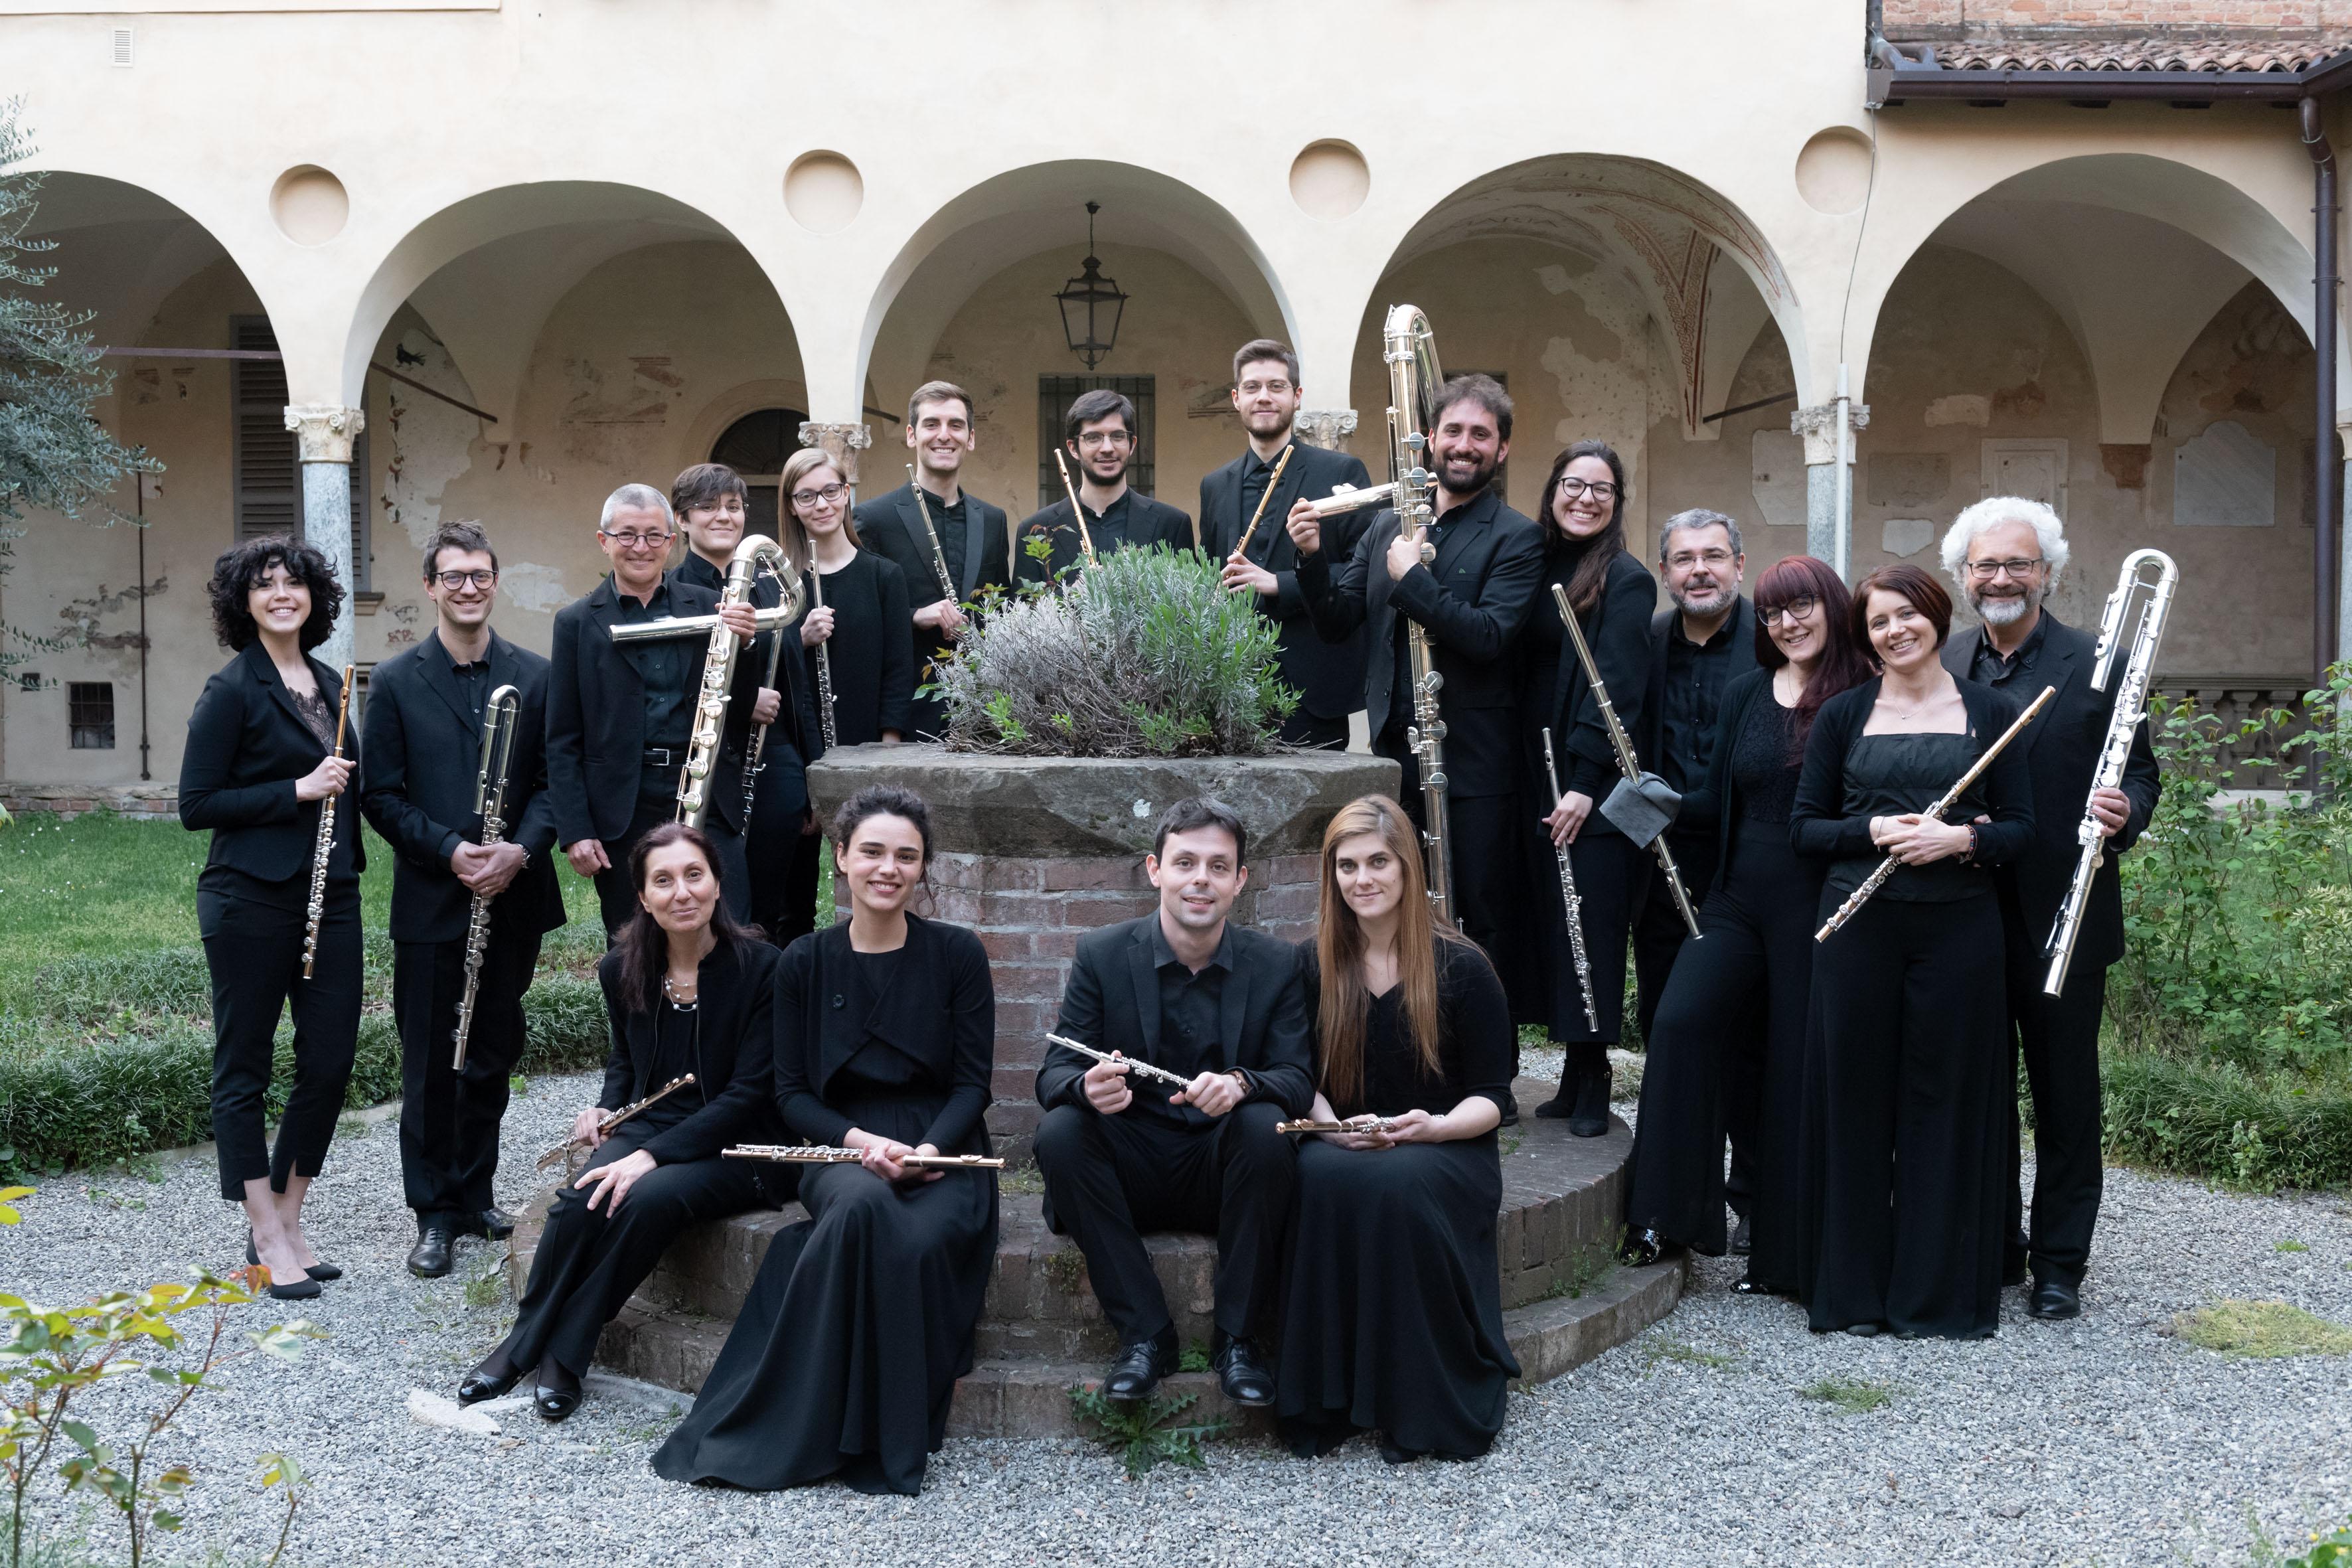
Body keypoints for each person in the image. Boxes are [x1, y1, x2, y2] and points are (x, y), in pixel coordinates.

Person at [653, 786, 996, 1496]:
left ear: (922, 867)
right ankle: (827, 1431)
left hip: (944, 1144)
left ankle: (867, 1432)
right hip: (838, 1144)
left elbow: (971, 1086)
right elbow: (791, 1096)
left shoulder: (959, 954)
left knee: (917, 1239)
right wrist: (860, 1141)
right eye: (871, 851)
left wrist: (929, 1150)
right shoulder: (802, 960)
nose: (888, 868)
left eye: (907, 856)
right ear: (840, 858)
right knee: (861, 1209)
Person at [459, 824, 785, 1421]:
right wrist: (608, 1110)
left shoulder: (764, 968)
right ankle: (523, 1340)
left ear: (717, 883)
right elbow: (627, 1062)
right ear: (642, 896)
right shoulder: (621, 969)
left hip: (744, 1142)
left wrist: (651, 1156)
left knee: (642, 1198)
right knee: (577, 1198)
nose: (681, 892)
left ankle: (561, 1353)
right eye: (663, 881)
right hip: (652, 1126)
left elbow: (751, 1094)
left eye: (694, 875)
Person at [1791, 564, 2036, 1340]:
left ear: (1935, 613)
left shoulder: (1993, 710)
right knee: (1856, 1102)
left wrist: (1961, 837)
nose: (1895, 631)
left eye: (1906, 615)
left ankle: (1934, 1296)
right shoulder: (1841, 714)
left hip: (1959, 929)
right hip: (1858, 928)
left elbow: (2024, 828)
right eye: (1877, 624)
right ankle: (1854, 1295)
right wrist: (1874, 831)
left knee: (1946, 1102)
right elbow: (1805, 829)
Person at [1287, 374, 1543, 1099]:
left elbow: (1489, 637)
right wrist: (1309, 556)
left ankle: (1488, 1081)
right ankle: (1409, 1063)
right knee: (1403, 909)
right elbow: (1339, 619)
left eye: (1480, 435)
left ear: (1501, 448)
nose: (1463, 446)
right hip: (1395, 756)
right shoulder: (1386, 523)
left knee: (1475, 912)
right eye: (1452, 432)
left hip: (1476, 761)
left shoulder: (1518, 538)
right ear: (1428, 439)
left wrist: (1412, 580)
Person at [1621, 556, 1871, 1291]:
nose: (1787, 624)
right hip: (1736, 898)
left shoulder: (1862, 697)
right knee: (1679, 1022)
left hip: (1816, 907)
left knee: (1794, 1063)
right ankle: (1666, 1216)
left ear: (1831, 606)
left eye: (1800, 608)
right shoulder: (1746, 693)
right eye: (1772, 614)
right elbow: (1713, 801)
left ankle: (1783, 1240)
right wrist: (1646, 798)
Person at [1938, 497, 2159, 1321]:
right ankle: (1998, 1245)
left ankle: (2061, 1262)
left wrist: (2126, 810)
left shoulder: (2101, 659)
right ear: (1964, 576)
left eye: (2018, 563)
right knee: (1977, 1090)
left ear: (2048, 574)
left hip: (2065, 913)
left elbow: (2142, 774)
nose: (2002, 577)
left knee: (2067, 1098)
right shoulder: (1944, 660)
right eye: (1986, 564)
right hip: (1960, 911)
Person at [1031, 798, 1314, 1408]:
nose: (1200, 880)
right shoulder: (1102, 953)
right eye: (1185, 862)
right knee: (1058, 1133)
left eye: (1218, 867)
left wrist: (1242, 1083)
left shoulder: (1276, 963)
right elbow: (1053, 1072)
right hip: (1130, 1165)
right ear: (1155, 869)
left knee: (1267, 1126)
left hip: (1221, 1170)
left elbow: (1296, 1076)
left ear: (1240, 881)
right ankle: (1145, 1337)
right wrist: (1086, 1087)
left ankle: (1237, 1340)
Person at [1279, 795, 1519, 1462]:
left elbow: (1494, 1098)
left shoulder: (1464, 968)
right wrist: (1326, 1128)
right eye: (1348, 866)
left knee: (1400, 1185)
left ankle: (1416, 1402)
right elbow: (1297, 1073)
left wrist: (1433, 1128)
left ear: (1408, 868)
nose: (1364, 879)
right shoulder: (1312, 966)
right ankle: (1330, 1398)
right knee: (1313, 1174)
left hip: (1447, 1149)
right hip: (1345, 1141)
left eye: (1378, 861)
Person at [360, 522, 567, 1279]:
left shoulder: (538, 675)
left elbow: (553, 782)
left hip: (514, 892)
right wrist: (450, 849)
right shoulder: (393, 680)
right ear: (431, 587)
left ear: (495, 580)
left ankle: (476, 1195)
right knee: (429, 1062)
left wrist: (520, 849)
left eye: (481, 574)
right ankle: (434, 1214)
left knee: (490, 1053)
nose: (470, 587)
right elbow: (378, 795)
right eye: (455, 577)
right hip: (432, 897)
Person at [179, 536, 363, 1301]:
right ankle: (263, 1229)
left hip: (333, 895)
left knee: (328, 1060)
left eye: (295, 582)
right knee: (245, 1065)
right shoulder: (232, 690)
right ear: (244, 603)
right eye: (265, 585)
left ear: (314, 597)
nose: (282, 593)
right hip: (249, 898)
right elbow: (197, 806)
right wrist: (296, 788)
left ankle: (291, 1214)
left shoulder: (328, 681)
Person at [547, 483, 764, 937]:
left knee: (730, 933)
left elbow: (740, 709)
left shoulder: (709, 606)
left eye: (652, 536)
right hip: (624, 806)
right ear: (603, 541)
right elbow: (563, 737)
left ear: (671, 542)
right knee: (634, 944)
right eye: (626, 535)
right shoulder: (575, 623)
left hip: (706, 795)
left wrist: (745, 646)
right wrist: (575, 830)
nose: (640, 548)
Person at [1519, 441, 1656, 1135]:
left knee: (1592, 928)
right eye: (1573, 484)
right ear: (1553, 489)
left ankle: (1596, 1074)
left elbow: (1621, 690)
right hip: (1532, 769)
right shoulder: (1534, 562)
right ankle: (1573, 1071)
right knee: (1554, 924)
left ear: (1616, 501)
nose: (1585, 499)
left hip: (1586, 786)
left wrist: (1585, 785)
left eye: (1602, 490)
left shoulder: (1626, 579)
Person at [1633, 509, 1761, 1241]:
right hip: (1662, 866)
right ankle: (1678, 1202)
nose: (1700, 570)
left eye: (1714, 555)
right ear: (1666, 573)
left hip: (1744, 868)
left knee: (1749, 1036)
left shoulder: (1770, 641)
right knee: (1668, 1030)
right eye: (1684, 559)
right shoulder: (1646, 641)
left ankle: (1752, 1194)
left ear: (1740, 564)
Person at [668, 463, 822, 946]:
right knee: (726, 906)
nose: (723, 517)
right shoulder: (672, 593)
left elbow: (798, 693)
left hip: (775, 763)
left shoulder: (772, 586)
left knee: (779, 906)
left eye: (733, 507)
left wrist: (812, 774)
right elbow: (675, 686)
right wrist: (742, 701)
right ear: (682, 521)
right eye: (708, 507)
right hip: (711, 767)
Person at [774, 446, 914, 945]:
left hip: (864, 748)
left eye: (830, 491)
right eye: (806, 495)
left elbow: (900, 668)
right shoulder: (777, 586)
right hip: (793, 753)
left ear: (846, 494)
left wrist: (888, 749)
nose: (821, 504)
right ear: (791, 505)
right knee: (790, 899)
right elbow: (762, 669)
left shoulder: (883, 576)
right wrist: (798, 637)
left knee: (867, 879)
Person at [1205, 340, 1375, 749]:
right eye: (1252, 387)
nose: (1263, 397)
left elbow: (1362, 573)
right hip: (1233, 687)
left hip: (1312, 691)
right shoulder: (1214, 485)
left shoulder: (1342, 470)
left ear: (1297, 397)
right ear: (1236, 399)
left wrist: (1279, 582)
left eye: (1277, 386)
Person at [852, 381, 1012, 741]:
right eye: (931, 424)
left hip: (982, 710)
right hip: (903, 713)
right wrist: (912, 615)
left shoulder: (993, 519)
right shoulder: (872, 517)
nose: (944, 435)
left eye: (956, 425)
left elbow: (1002, 610)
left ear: (970, 438)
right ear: (911, 435)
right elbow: (860, 615)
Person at [1014, 388, 1193, 584]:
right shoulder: (1035, 531)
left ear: (1132, 444)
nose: (1107, 448)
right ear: (1073, 448)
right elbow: (1023, 610)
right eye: (1093, 438)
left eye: (1117, 436)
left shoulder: (1172, 525)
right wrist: (1072, 595)